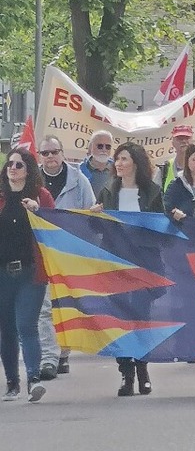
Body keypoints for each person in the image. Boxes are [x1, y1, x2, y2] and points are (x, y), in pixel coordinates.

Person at [93, 142, 164, 397]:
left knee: (140, 318)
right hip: (116, 262)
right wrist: (94, 217)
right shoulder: (108, 191)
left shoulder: (153, 192)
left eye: (124, 158)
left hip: (143, 263)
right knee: (120, 318)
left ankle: (143, 368)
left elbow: (160, 227)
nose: (119, 163)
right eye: (117, 159)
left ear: (136, 162)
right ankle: (126, 373)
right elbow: (98, 230)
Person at [37, 135, 95, 380]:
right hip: (40, 251)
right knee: (45, 308)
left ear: (62, 153)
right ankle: (49, 356)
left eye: (54, 152)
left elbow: (90, 213)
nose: (50, 157)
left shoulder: (78, 180)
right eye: (45, 153)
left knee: (65, 304)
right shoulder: (33, 181)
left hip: (70, 251)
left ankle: (64, 353)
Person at [0, 148, 54, 402]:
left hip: (31, 272)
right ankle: (12, 382)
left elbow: (55, 228)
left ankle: (34, 379)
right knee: (6, 329)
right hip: (2, 273)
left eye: (19, 165)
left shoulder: (40, 195)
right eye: (10, 164)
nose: (13, 168)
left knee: (26, 325)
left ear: (29, 170)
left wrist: (38, 211)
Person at [154, 125, 194, 192]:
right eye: (180, 138)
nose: (184, 141)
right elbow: (154, 196)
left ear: (193, 141)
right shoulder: (164, 169)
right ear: (173, 143)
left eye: (187, 138)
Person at [79, 130, 114, 197]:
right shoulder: (80, 170)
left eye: (108, 147)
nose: (104, 150)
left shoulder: (118, 171)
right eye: (100, 146)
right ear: (91, 147)